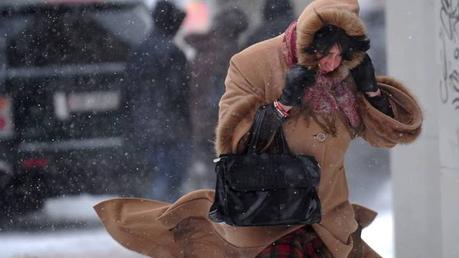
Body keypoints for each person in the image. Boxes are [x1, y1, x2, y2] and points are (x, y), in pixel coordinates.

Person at [95, 0, 422, 257]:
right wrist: (283, 103)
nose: (332, 63)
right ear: (309, 40)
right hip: (270, 216)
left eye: (341, 55)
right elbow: (234, 144)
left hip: (329, 218)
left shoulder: (347, 73)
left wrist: (372, 92)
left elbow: (388, 136)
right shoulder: (252, 63)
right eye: (326, 52)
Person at [123, 0, 190, 202]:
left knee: (158, 176)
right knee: (170, 179)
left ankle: (154, 218)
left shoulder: (138, 50)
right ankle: (165, 221)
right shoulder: (173, 53)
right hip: (171, 127)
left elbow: (127, 92)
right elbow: (179, 93)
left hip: (145, 125)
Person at [185, 7, 248, 190]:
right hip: (217, 120)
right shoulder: (228, 55)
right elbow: (220, 94)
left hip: (200, 119)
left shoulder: (203, 51)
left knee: (208, 168)